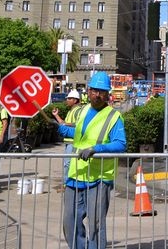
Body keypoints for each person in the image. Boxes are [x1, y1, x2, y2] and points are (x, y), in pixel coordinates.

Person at [55, 72, 126, 249]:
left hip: (99, 177)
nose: (98, 95)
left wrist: (97, 149)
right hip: (76, 174)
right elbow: (82, 136)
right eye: (94, 90)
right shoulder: (84, 110)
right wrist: (66, 131)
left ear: (107, 94)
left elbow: (120, 144)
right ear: (88, 91)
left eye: (102, 91)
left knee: (95, 225)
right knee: (69, 221)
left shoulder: (113, 117)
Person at [53, 90, 83, 179]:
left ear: (75, 100)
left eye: (69, 98)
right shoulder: (71, 111)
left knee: (68, 164)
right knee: (67, 163)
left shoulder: (78, 111)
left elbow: (79, 124)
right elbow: (63, 123)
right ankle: (67, 184)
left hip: (73, 142)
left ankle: (67, 184)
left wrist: (66, 124)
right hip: (68, 142)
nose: (67, 100)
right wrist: (56, 115)